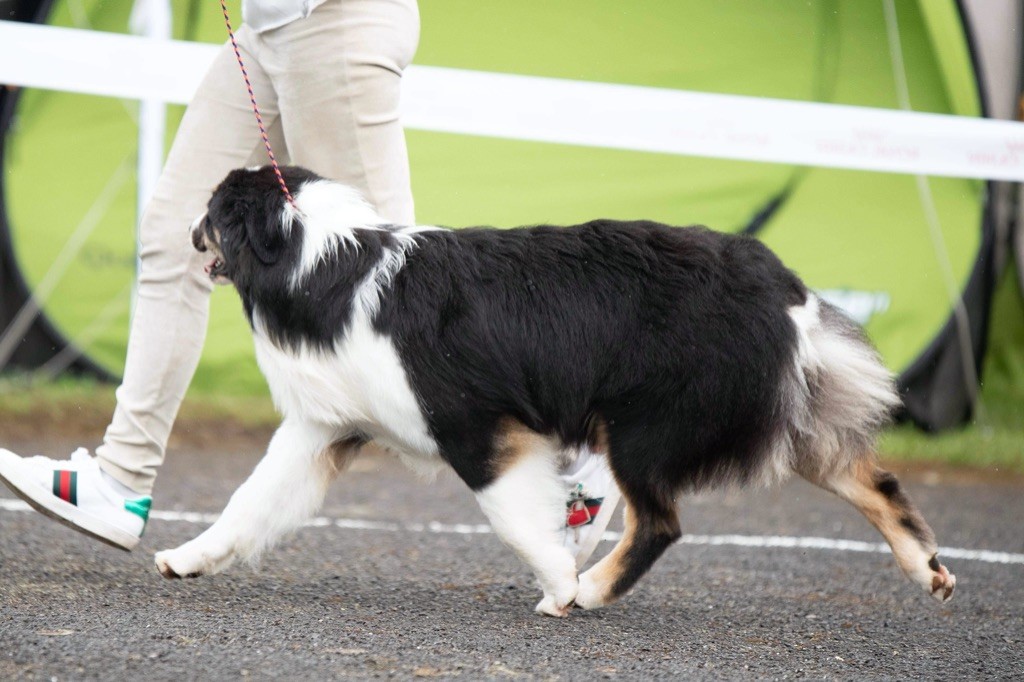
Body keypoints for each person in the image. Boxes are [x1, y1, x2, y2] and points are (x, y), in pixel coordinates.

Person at [0, 0, 619, 567]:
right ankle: (120, 478)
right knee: (174, 234)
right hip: (264, 27)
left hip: (334, 24)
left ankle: (578, 459)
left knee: (414, 306)